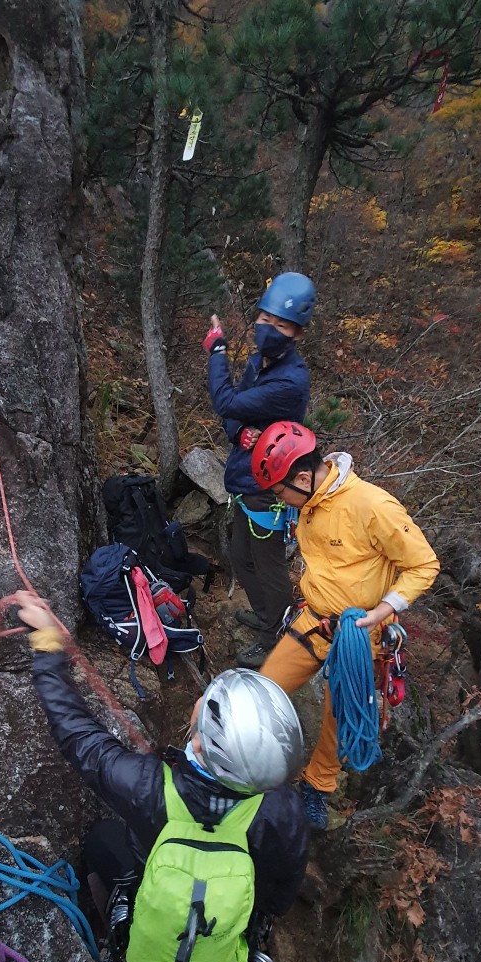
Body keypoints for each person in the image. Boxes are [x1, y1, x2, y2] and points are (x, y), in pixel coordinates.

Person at [4, 589, 309, 962]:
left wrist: (46, 643)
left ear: (201, 739)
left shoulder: (148, 787)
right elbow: (277, 895)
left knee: (99, 844)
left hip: (148, 949)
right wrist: (251, 931)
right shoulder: (279, 814)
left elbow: (77, 737)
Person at [250, 421, 440, 831]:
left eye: (280, 492)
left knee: (341, 716)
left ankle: (317, 786)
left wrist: (384, 610)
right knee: (264, 689)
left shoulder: (373, 506)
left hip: (358, 633)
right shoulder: (309, 503)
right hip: (313, 620)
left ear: (303, 477)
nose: (280, 501)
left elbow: (423, 564)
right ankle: (247, 761)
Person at [204, 273, 315, 669]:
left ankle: (276, 638)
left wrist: (217, 349)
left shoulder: (289, 381)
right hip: (246, 477)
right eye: (266, 320)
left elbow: (226, 402)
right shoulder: (261, 362)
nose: (270, 330)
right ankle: (267, 618)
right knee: (240, 556)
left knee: (268, 566)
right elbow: (236, 422)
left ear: (298, 332)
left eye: (281, 325)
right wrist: (242, 432)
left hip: (269, 486)